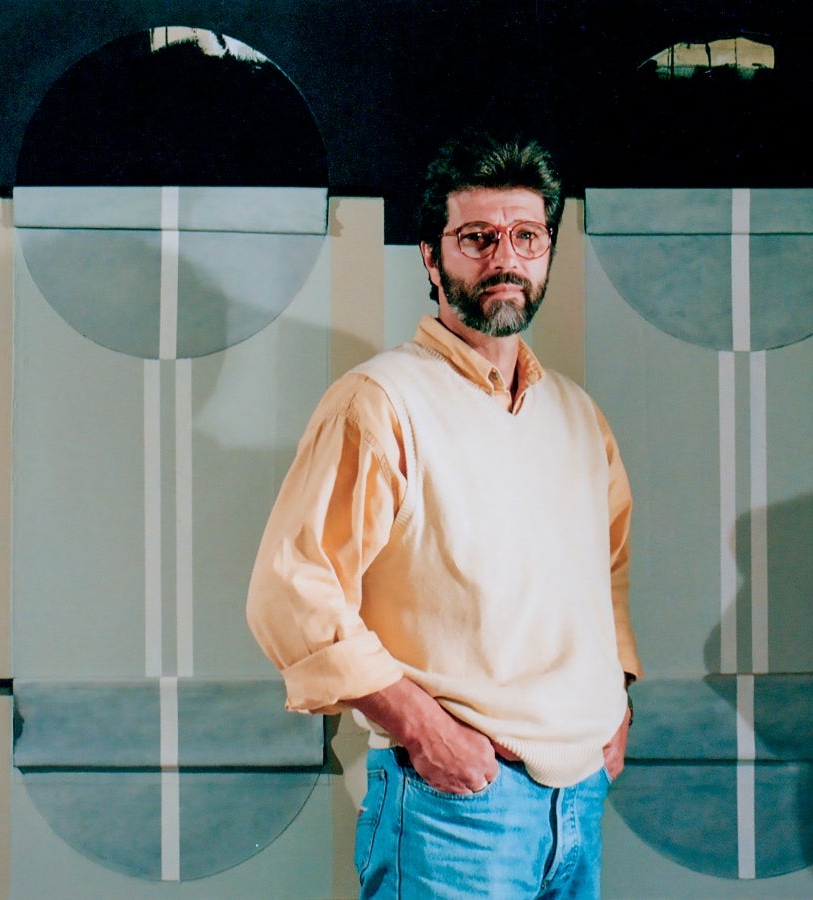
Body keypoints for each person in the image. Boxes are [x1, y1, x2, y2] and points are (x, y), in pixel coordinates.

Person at [246, 130, 641, 899]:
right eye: (477, 238)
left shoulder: (577, 415)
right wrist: (424, 730)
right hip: (457, 807)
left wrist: (616, 697)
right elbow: (291, 591)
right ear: (431, 257)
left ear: (548, 250)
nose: (505, 258)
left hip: (581, 802)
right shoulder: (380, 402)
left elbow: (610, 570)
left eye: (526, 237)